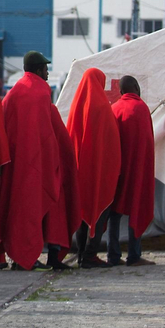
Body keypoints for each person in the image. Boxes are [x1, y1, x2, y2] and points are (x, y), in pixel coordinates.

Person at [0, 53, 53, 271]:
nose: (48, 73)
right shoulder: (41, 91)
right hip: (35, 160)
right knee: (30, 210)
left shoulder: (14, 92)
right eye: (46, 69)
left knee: (14, 207)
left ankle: (15, 254)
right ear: (39, 70)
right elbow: (46, 131)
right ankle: (27, 256)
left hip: (14, 160)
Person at [67, 68, 122, 268]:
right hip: (99, 171)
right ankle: (90, 255)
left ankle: (81, 254)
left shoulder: (76, 106)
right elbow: (111, 143)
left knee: (82, 212)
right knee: (99, 211)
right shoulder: (102, 108)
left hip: (80, 171)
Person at [105, 76, 157, 267]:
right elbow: (147, 143)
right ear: (135, 88)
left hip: (118, 169)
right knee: (136, 208)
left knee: (114, 213)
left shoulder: (114, 108)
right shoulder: (141, 108)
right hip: (136, 168)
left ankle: (113, 255)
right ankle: (134, 255)